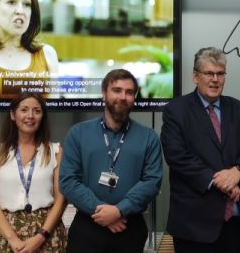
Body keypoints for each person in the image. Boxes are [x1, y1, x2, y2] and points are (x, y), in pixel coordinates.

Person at [161, 47, 240, 253]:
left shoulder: (239, 109)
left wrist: (238, 171)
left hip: (233, 220)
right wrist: (222, 182)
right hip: (193, 224)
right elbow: (177, 156)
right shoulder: (176, 110)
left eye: (220, 73)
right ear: (195, 76)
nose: (215, 79)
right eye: (209, 73)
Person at [59, 69, 163, 252]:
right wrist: (102, 211)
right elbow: (68, 181)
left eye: (129, 92)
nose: (123, 97)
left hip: (129, 228)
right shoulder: (78, 133)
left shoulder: (149, 137)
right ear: (104, 93)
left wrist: (118, 211)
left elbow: (152, 182)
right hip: (87, 228)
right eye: (117, 90)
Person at [0, 92, 67, 252]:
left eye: (37, 110)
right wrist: (12, 239)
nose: (30, 116)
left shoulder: (55, 151)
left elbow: (61, 199)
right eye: (24, 110)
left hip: (46, 232)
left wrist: (41, 236)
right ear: (13, 115)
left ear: (42, 116)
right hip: (5, 232)